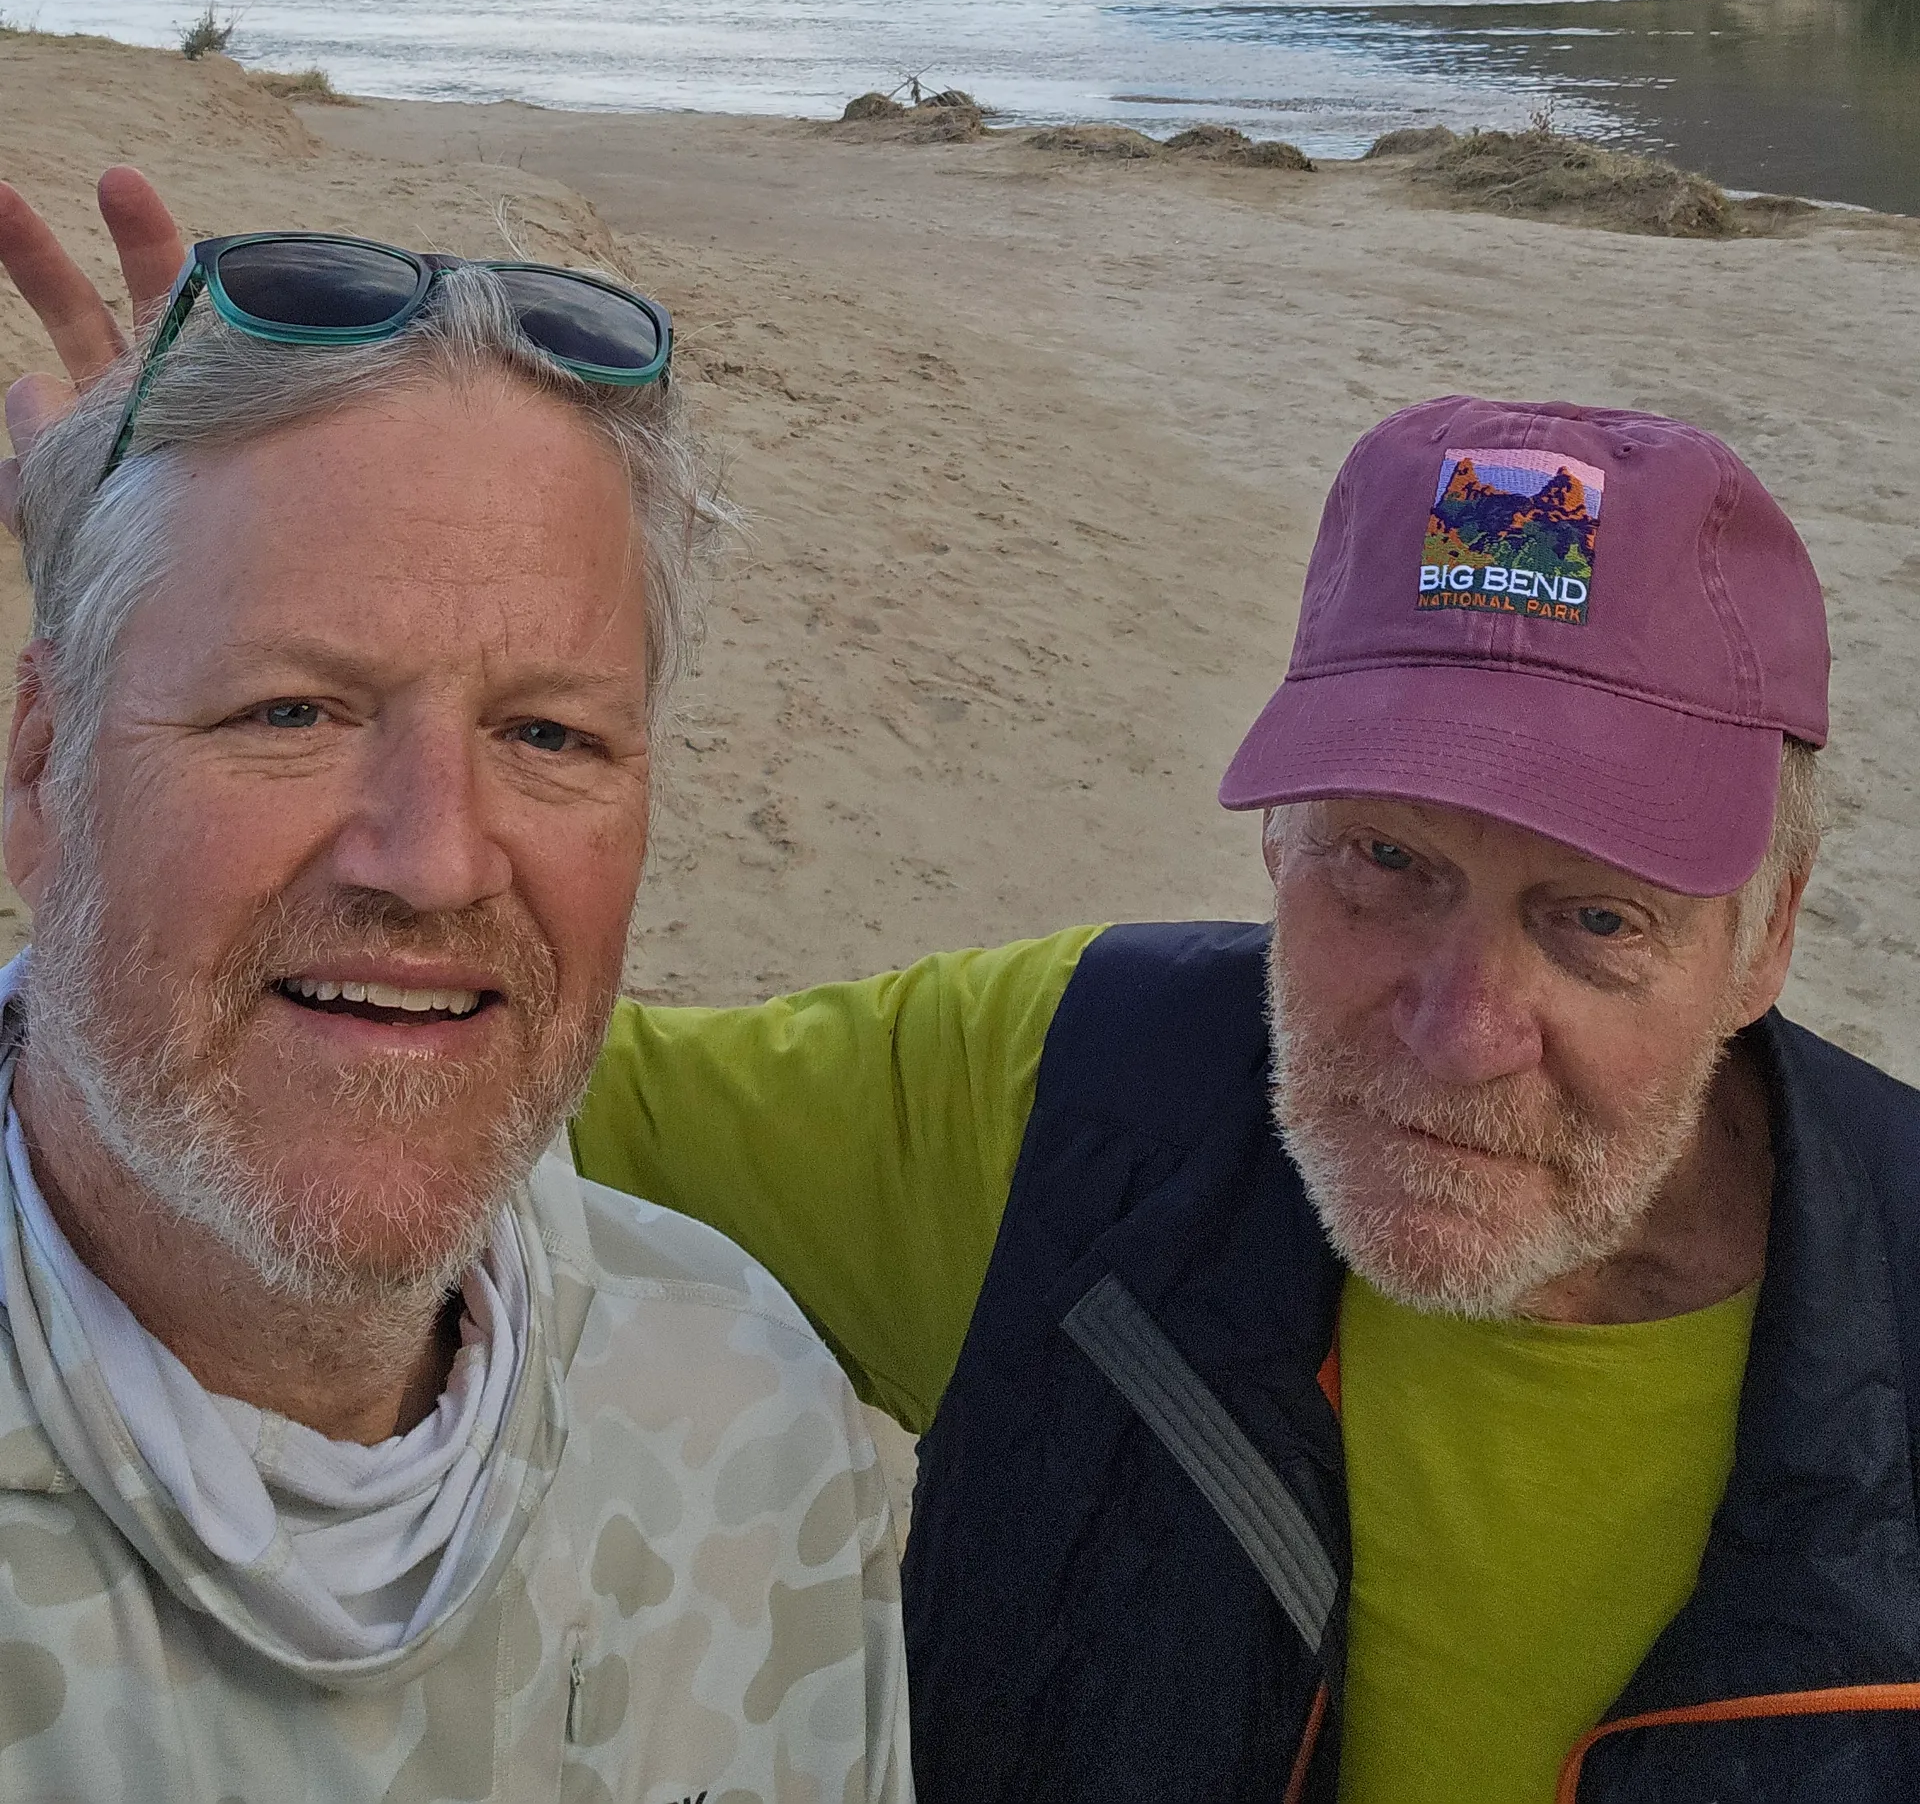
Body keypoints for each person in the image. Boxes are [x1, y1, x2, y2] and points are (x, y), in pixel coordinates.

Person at [11, 186, 1920, 1799]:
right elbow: (402, 1040)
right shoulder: (1076, 1098)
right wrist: (177, 620)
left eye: (1592, 920)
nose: (1453, 1020)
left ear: (1768, 932)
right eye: (1385, 864)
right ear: (1273, 844)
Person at [0, 189, 909, 1802]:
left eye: (550, 735)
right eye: (291, 707)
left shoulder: (752, 1421)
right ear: (40, 768)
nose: (433, 859)